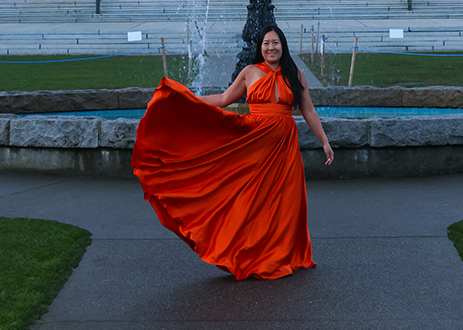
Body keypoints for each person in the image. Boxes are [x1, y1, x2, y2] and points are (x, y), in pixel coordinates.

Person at [131, 25, 333, 281]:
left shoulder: (296, 74)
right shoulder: (249, 72)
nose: (271, 48)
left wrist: (324, 141)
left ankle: (281, 254)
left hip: (284, 147)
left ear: (283, 45)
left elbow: (309, 110)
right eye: (266, 43)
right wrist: (190, 99)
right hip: (254, 143)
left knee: (285, 201)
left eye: (275, 43)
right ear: (260, 48)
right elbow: (226, 98)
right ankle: (248, 253)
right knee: (250, 201)